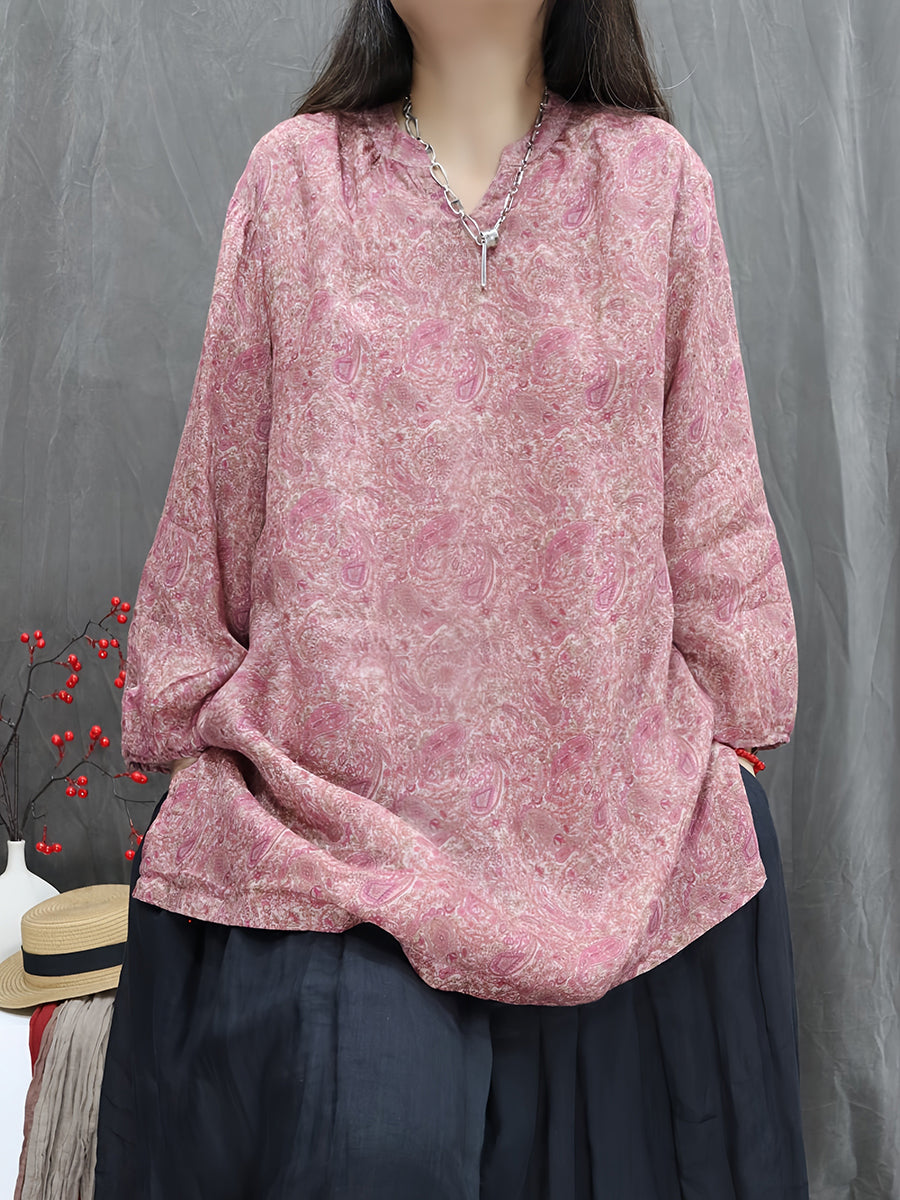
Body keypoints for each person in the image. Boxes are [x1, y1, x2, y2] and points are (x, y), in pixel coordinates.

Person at [93, 0, 810, 1195]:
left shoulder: (653, 185)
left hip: (612, 820)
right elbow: (220, 488)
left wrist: (734, 726)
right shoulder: (297, 182)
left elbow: (712, 496)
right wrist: (184, 715)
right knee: (373, 1132)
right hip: (331, 827)